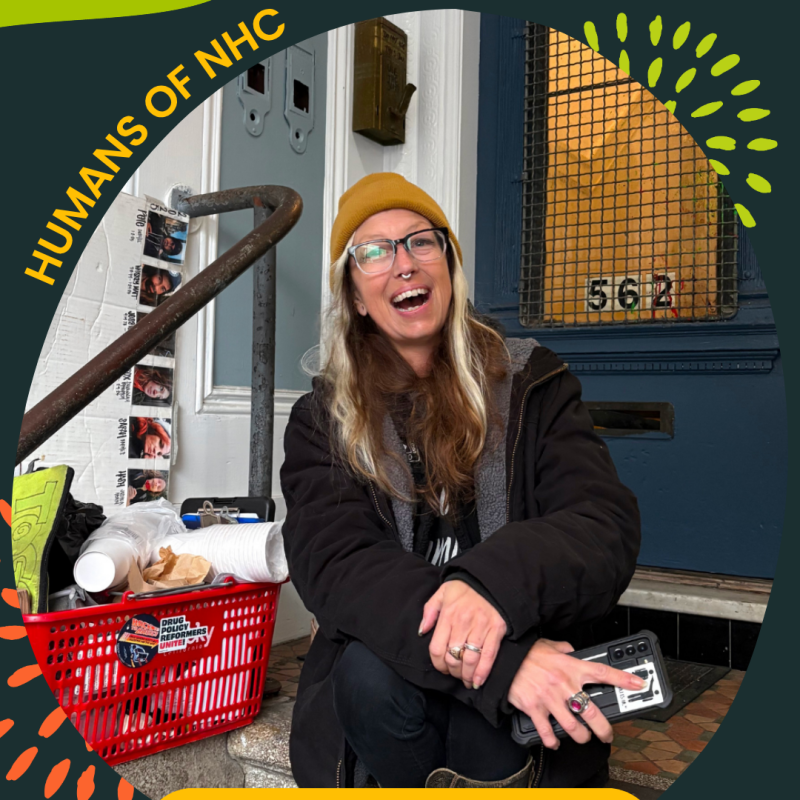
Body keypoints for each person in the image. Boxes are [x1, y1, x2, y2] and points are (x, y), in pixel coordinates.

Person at [280, 173, 641, 789]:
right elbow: (339, 566)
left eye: (421, 242)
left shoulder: (534, 384)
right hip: (403, 672)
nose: (403, 264)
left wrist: (489, 586)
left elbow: (601, 525)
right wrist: (499, 667)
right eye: (374, 251)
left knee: (475, 720)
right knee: (368, 674)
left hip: (521, 665)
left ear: (449, 266)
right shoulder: (322, 418)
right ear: (357, 298)